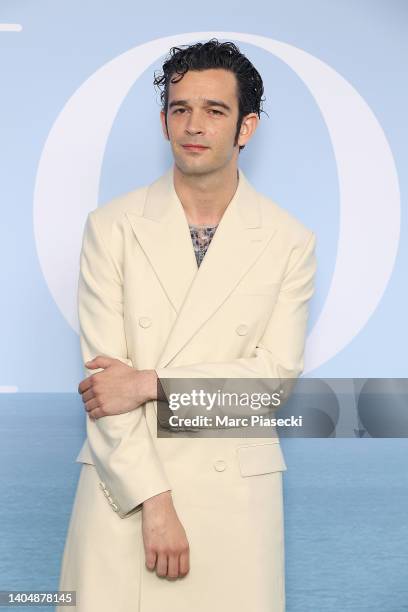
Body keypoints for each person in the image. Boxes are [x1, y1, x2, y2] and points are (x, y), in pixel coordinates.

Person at [57, 39, 317, 612]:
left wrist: (149, 384)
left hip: (234, 505)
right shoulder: (112, 227)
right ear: (163, 121)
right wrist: (154, 500)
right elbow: (105, 387)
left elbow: (267, 388)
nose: (193, 126)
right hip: (122, 492)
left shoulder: (288, 241)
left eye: (215, 111)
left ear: (245, 127)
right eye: (181, 109)